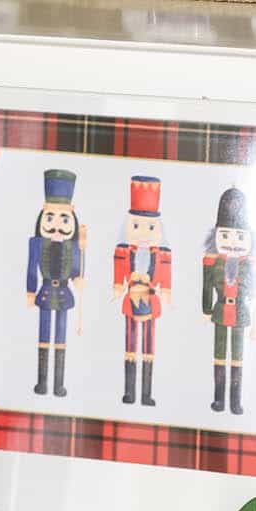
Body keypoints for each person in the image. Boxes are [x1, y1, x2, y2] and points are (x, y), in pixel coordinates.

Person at [112, 174, 171, 409]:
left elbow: (165, 276)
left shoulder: (162, 254)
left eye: (150, 227)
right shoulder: (125, 251)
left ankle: (146, 393)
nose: (144, 233)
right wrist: (118, 285)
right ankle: (129, 392)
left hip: (151, 300)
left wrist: (166, 290)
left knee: (148, 346)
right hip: (131, 299)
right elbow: (119, 272)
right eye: (136, 226)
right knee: (130, 345)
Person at [26, 168, 85, 400]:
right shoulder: (37, 244)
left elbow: (77, 268)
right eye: (50, 217)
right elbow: (31, 268)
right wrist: (30, 291)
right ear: (42, 216)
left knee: (60, 338)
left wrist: (79, 277)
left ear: (73, 217)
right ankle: (42, 381)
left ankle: (58, 384)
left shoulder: (74, 246)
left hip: (63, 293)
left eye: (63, 218)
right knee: (43, 337)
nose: (56, 225)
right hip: (44, 290)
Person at [202, 185, 256, 416]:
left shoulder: (250, 265)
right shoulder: (213, 262)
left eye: (239, 236)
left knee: (237, 358)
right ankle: (218, 399)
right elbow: (206, 286)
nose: (232, 241)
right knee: (218, 355)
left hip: (241, 313)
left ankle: (235, 401)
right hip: (220, 311)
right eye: (225, 235)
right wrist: (205, 310)